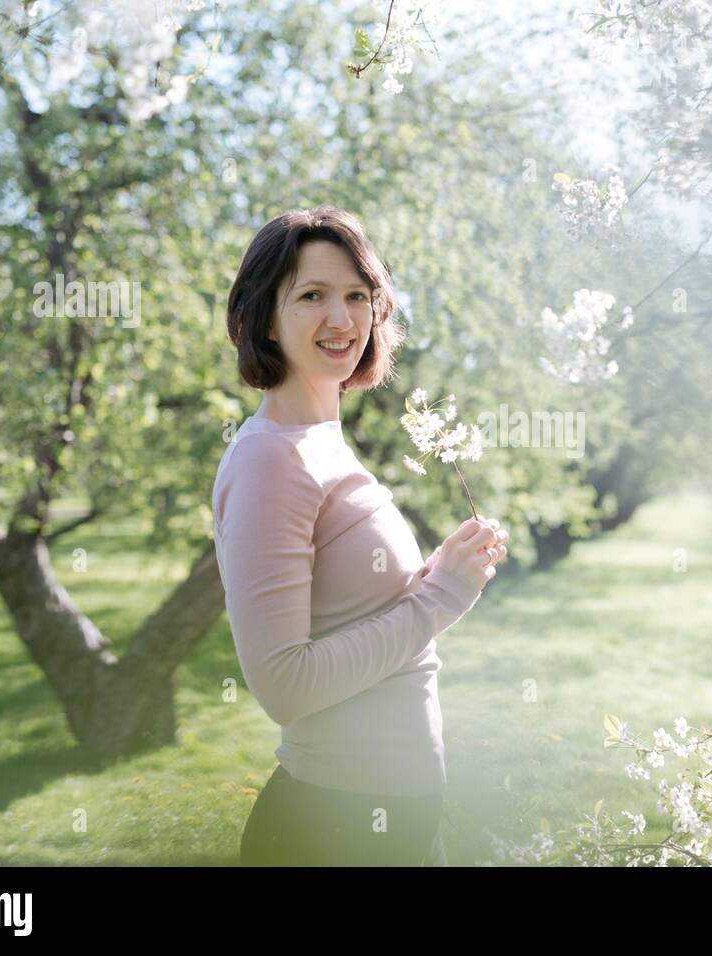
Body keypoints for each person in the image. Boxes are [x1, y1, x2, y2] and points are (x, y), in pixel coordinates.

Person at [212, 205, 509, 865]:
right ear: (264, 316)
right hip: (329, 826)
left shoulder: (323, 444)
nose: (342, 319)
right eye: (312, 296)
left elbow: (357, 610)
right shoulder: (272, 458)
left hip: (393, 819)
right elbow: (283, 685)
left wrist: (441, 574)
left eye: (357, 296)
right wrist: (438, 602)